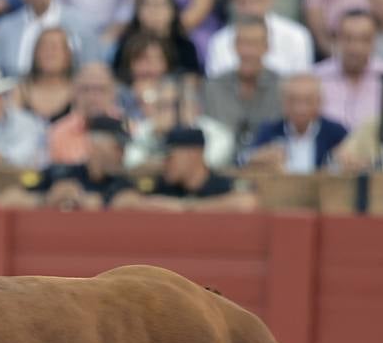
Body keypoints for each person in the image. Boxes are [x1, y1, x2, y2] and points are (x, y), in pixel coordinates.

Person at [114, 125, 256, 210]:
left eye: (170, 156)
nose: (164, 162)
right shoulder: (165, 185)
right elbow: (123, 200)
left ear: (192, 155)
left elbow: (248, 203)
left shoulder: (219, 184)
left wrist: (187, 207)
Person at [205, 0, 314, 78]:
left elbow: (301, 86)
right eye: (242, 1)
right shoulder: (218, 42)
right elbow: (216, 88)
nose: (250, 8)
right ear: (233, 2)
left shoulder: (297, 36)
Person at [201, 16, 283, 150]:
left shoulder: (283, 88)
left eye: (254, 44)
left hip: (268, 167)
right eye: (243, 43)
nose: (248, 52)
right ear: (234, 46)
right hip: (222, 165)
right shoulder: (213, 88)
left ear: (267, 46)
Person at [125, 73, 235, 171]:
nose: (164, 113)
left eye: (171, 105)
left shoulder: (218, 133)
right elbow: (131, 162)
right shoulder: (149, 128)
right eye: (160, 106)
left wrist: (158, 164)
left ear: (190, 106)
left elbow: (205, 164)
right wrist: (156, 136)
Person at [243, 73, 349, 173]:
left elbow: (354, 161)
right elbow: (242, 160)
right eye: (293, 100)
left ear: (319, 102)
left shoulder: (336, 132)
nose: (300, 109)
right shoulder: (270, 130)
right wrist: (259, 157)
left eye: (308, 101)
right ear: (283, 102)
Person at [27, 115, 136, 209]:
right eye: (117, 147)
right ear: (95, 145)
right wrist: (48, 198)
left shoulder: (124, 183)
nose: (122, 154)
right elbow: (19, 196)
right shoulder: (61, 174)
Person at [312, 8, 383, 129]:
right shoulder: (316, 78)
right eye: (348, 39)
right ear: (337, 39)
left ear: (374, 41)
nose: (356, 48)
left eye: (364, 39)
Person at [109, 0, 200, 76]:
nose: (153, 10)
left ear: (172, 10)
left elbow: (193, 81)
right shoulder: (125, 45)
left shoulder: (186, 48)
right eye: (147, 4)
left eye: (159, 4)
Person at [46, 61, 124, 166]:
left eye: (100, 89)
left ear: (113, 93)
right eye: (85, 89)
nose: (92, 97)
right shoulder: (57, 133)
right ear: (74, 93)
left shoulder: (129, 129)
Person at [14, 27, 77, 125]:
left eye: (54, 47)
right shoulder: (19, 92)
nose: (48, 53)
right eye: (43, 47)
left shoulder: (78, 91)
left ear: (68, 54)